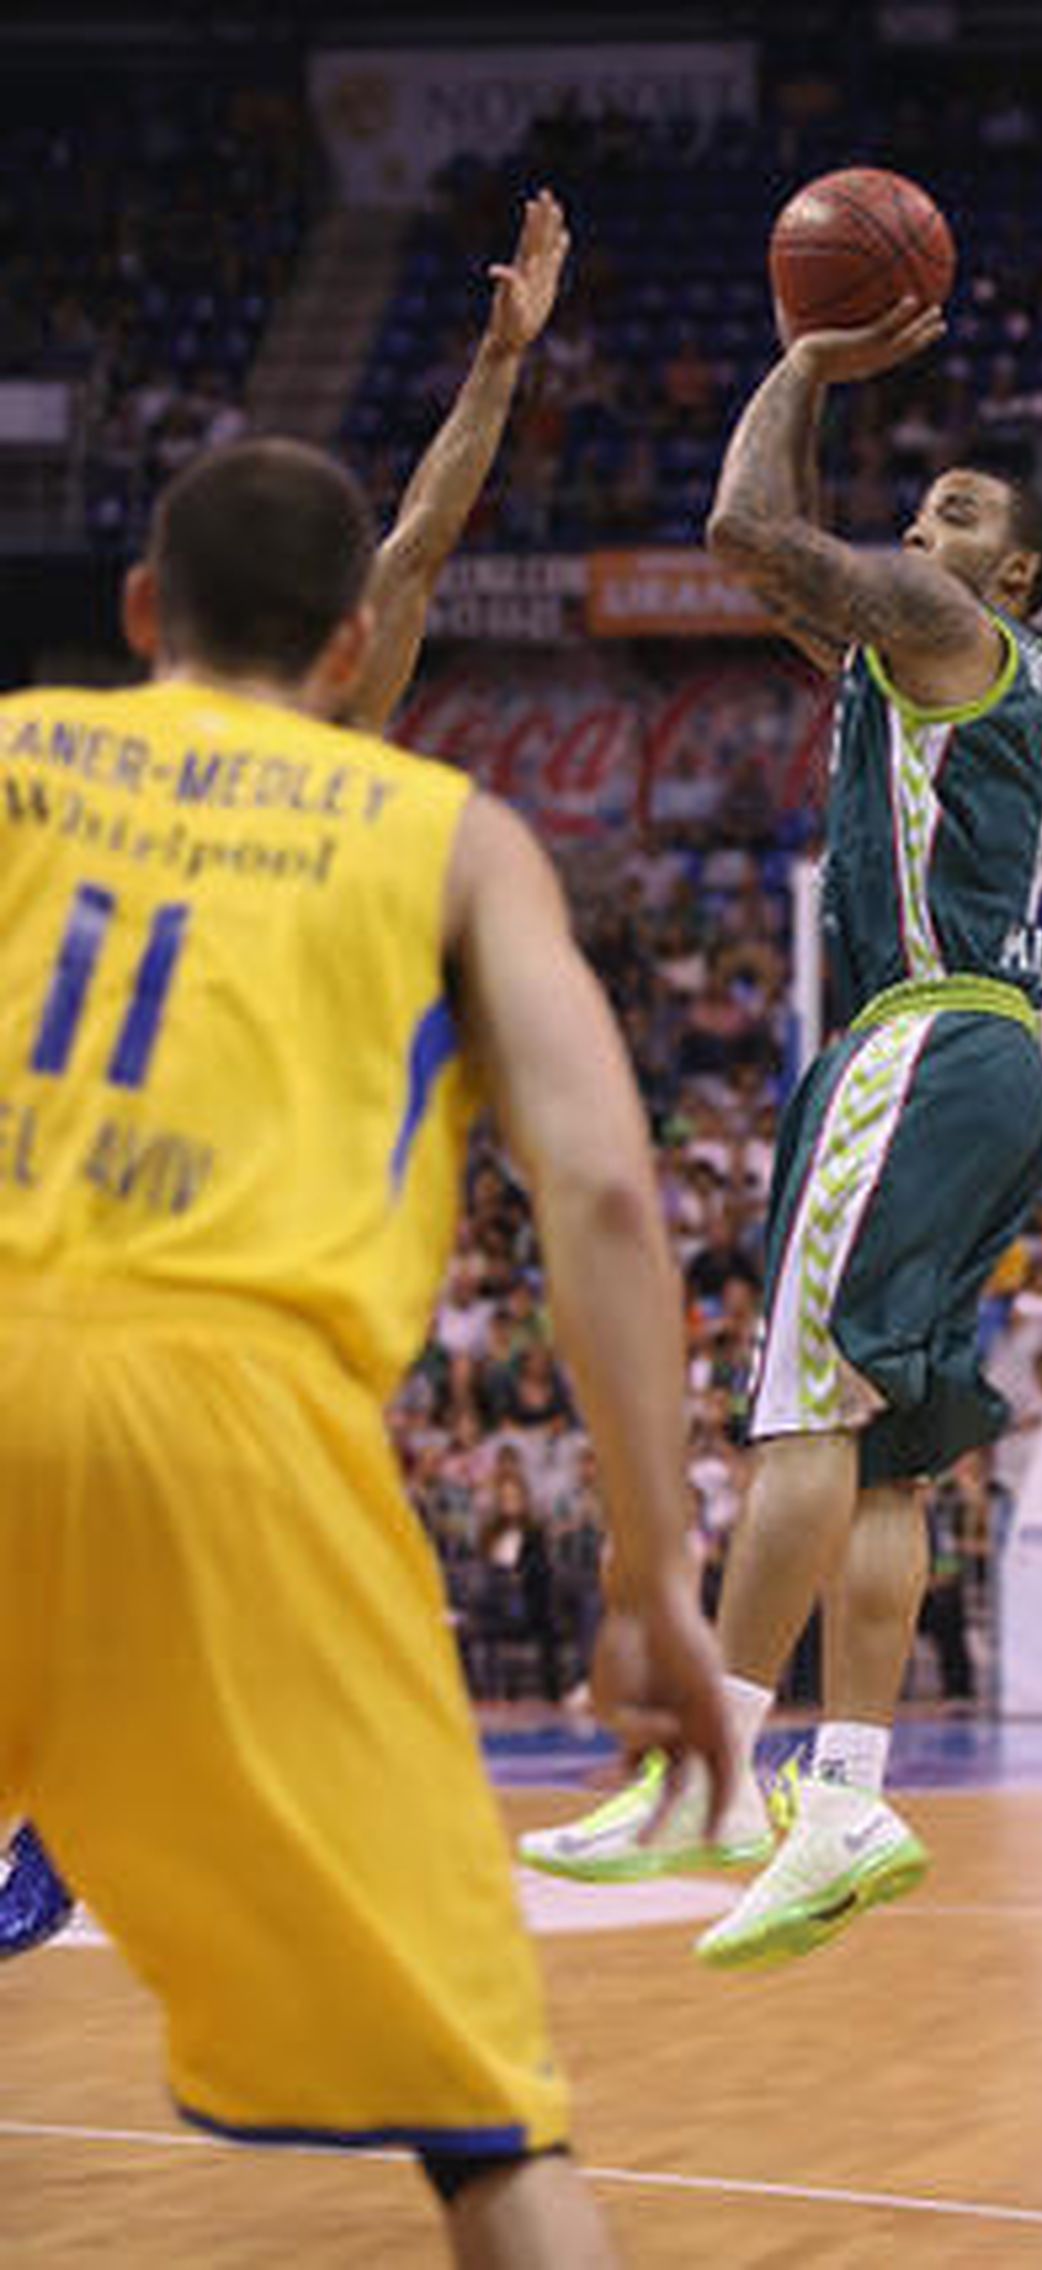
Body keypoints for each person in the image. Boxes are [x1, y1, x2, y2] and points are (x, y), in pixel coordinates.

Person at [0, 435, 734, 2265]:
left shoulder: (10, 749)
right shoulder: (453, 836)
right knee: (493, 2129)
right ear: (351, 653)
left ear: (141, 613)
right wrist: (654, 1577)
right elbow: (607, 1195)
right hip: (235, 1421)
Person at [0, 194, 581, 1963]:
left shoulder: (51, 764)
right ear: (332, 650)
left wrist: (493, 371)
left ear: (144, 607)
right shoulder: (336, 794)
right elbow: (411, 546)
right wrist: (496, 363)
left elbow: (410, 546)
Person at [522, 293, 1042, 1967]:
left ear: (1016, 576)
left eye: (959, 515)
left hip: (915, 1047)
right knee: (890, 1446)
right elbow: (783, 574)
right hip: (1000, 1074)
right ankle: (848, 1798)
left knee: (807, 1415)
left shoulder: (943, 626)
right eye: (918, 513)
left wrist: (812, 358)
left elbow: (744, 529)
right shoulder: (922, 665)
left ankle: (710, 1770)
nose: (923, 528)